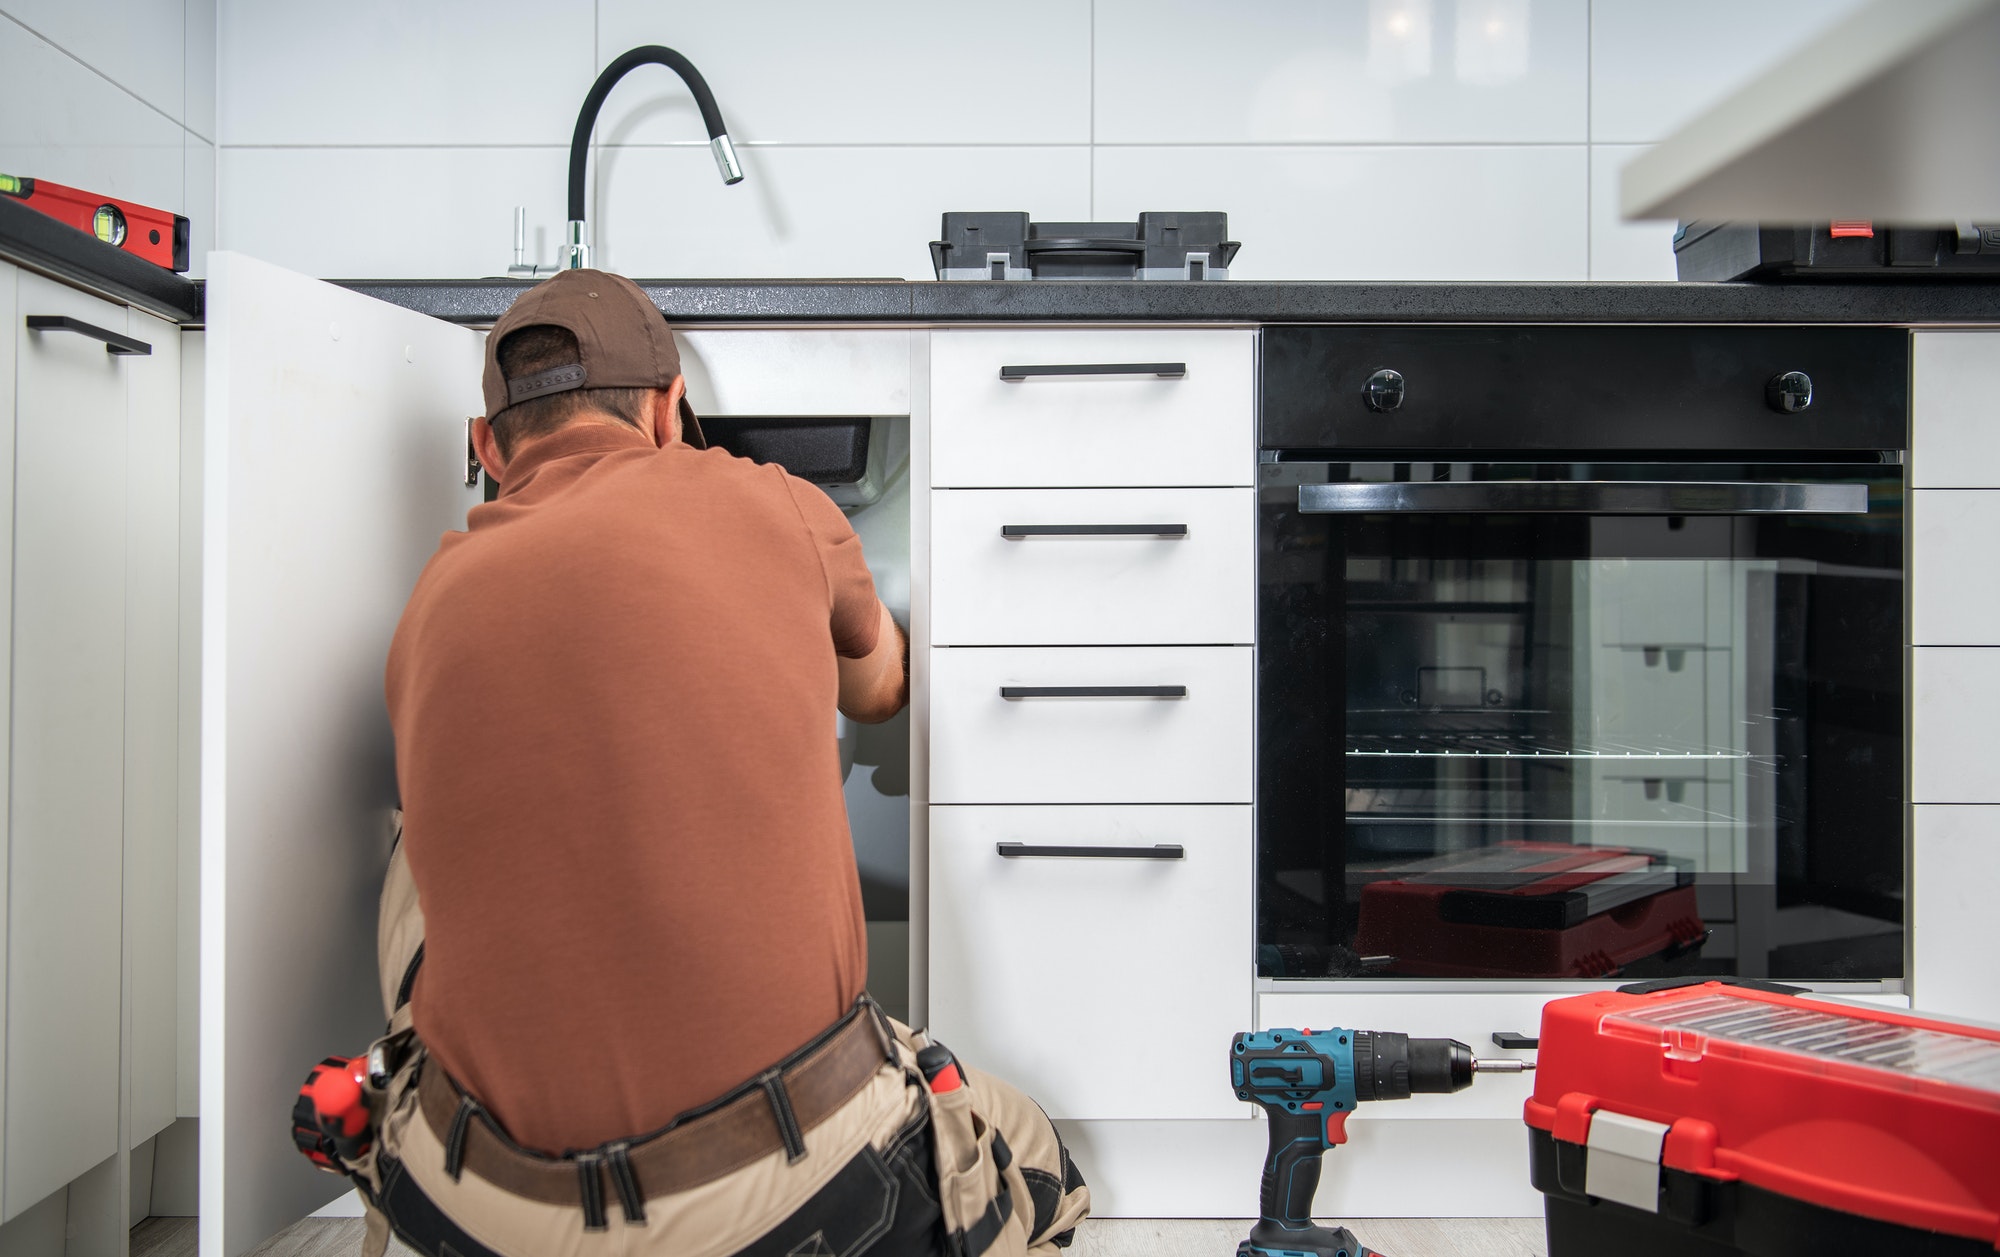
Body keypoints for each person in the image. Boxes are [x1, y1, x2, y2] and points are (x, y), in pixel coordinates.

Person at [344, 270, 1088, 1257]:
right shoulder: (777, 503)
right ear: (668, 410)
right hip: (784, 1199)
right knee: (1036, 1153)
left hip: (483, 1206)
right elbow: (875, 690)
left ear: (486, 448)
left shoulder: (428, 600)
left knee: (415, 847)